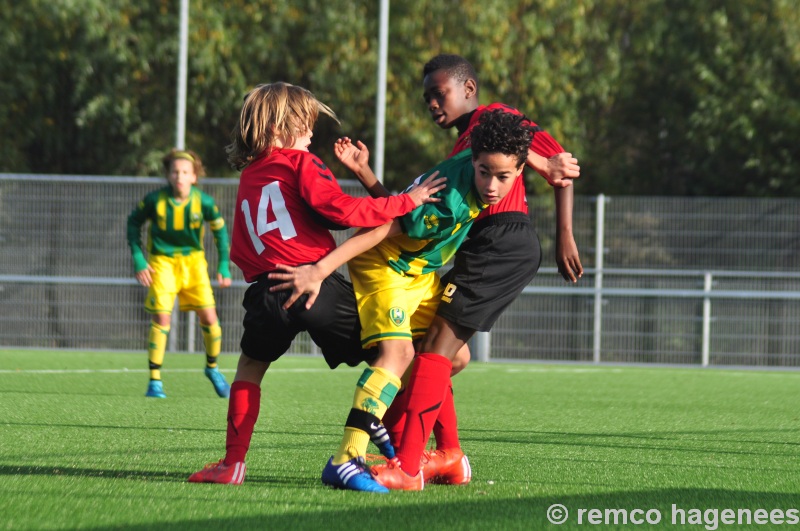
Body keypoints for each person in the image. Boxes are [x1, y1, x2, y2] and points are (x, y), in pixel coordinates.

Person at [331, 53, 584, 489]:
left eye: (439, 92)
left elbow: (559, 162)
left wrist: (565, 233)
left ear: (468, 89)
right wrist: (365, 174)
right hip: (481, 247)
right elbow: (407, 215)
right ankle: (448, 456)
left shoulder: (495, 120)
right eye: (426, 96)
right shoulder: (462, 149)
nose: (431, 103)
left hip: (503, 240)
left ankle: (408, 464)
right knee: (436, 348)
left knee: (434, 349)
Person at [186, 82, 446, 488]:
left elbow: (242, 250)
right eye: (305, 124)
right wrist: (405, 201)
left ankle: (233, 464)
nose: (311, 133)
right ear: (279, 128)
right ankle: (363, 447)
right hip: (313, 283)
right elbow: (341, 211)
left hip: (266, 290)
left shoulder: (252, 176)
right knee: (398, 351)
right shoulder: (299, 163)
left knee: (251, 368)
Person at [269, 109, 538, 492]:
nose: (492, 186)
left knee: (454, 358)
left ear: (519, 169)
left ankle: (410, 438)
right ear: (473, 161)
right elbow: (382, 228)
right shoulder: (451, 200)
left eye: (503, 176)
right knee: (399, 356)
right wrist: (319, 271)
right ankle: (347, 457)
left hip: (419, 271)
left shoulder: (477, 159)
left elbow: (401, 205)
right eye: (485, 173)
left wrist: (366, 174)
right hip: (384, 265)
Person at [127, 148, 233, 399]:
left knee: (210, 318)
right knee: (162, 319)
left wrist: (224, 265)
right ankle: (155, 382)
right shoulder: (155, 201)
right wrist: (139, 258)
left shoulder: (204, 202)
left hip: (194, 263)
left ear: (194, 177)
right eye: (174, 171)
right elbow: (133, 223)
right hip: (162, 263)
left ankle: (212, 368)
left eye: (185, 172)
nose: (179, 176)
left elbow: (220, 233)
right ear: (167, 175)